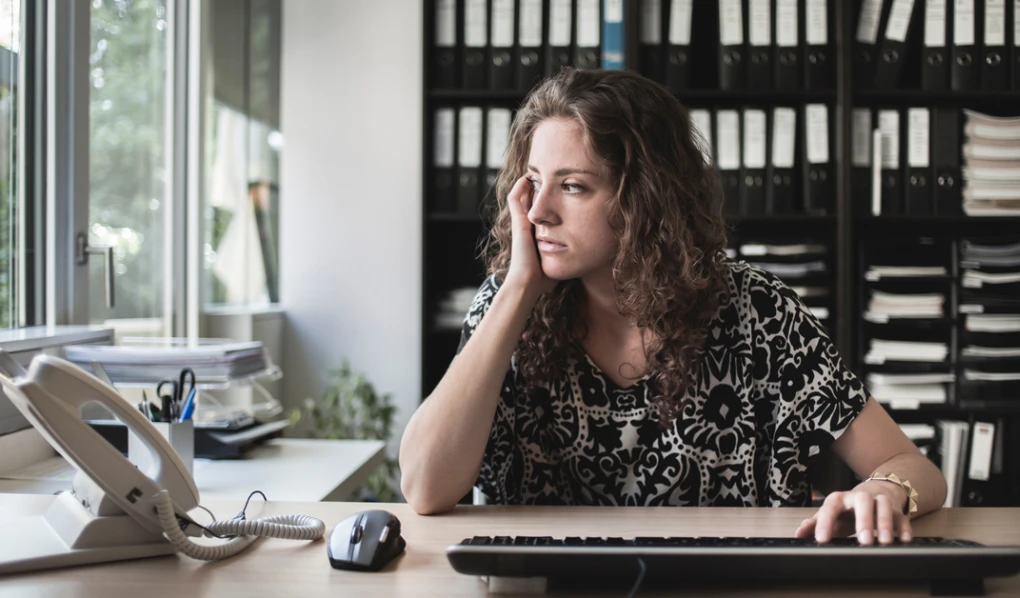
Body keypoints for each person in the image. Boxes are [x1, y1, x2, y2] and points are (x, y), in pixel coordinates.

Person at [399, 68, 947, 546]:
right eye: (534, 183)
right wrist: (518, 290)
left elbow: (915, 469)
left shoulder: (760, 310)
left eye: (572, 187)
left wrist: (883, 489)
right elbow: (424, 488)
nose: (539, 211)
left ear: (645, 199)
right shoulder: (506, 303)